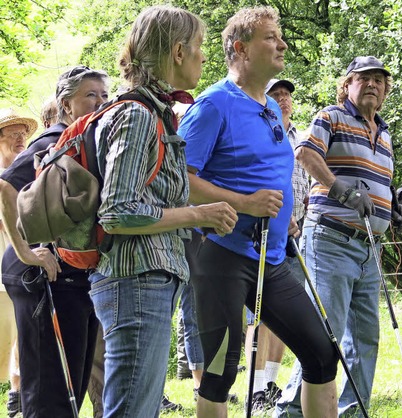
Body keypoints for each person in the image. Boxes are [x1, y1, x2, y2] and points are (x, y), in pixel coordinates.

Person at [177, 6, 338, 418]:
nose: (282, 43)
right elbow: (178, 180)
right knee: (219, 373)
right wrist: (245, 204)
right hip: (220, 255)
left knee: (321, 354)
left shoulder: (269, 107)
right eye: (271, 37)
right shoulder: (213, 105)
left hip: (272, 257)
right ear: (241, 49)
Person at [88, 6, 238, 417]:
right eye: (200, 47)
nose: (205, 57)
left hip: (143, 281)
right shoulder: (137, 115)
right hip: (134, 281)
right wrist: (198, 214)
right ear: (177, 51)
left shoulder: (152, 112)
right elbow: (117, 211)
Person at [277, 55, 402, 417]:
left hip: (369, 249)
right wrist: (339, 190)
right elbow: (304, 153)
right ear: (347, 85)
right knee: (324, 334)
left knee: (365, 339)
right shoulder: (330, 116)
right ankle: (288, 412)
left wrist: (395, 207)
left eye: (379, 80)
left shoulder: (384, 135)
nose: (372, 85)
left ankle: (350, 412)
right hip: (331, 240)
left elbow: (378, 183)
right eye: (363, 78)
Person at [0, 67, 108, 418]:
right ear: (66, 104)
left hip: (69, 278)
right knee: (51, 394)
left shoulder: (87, 140)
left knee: (71, 387)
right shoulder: (53, 142)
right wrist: (27, 252)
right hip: (39, 277)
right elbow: (5, 188)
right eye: (91, 95)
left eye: (104, 95)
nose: (100, 102)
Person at [244, 78, 308, 413]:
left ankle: (269, 383)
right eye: (276, 95)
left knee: (283, 316)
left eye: (286, 96)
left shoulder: (300, 136)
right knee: (258, 314)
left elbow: (305, 184)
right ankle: (255, 388)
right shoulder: (259, 130)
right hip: (263, 234)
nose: (283, 100)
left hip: (296, 238)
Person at [0, 108, 37, 417]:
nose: (20, 138)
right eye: (12, 133)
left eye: (23, 133)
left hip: (20, 270)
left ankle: (16, 399)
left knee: (21, 337)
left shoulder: (29, 173)